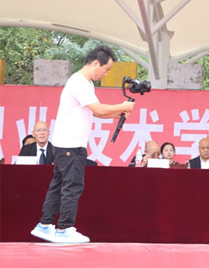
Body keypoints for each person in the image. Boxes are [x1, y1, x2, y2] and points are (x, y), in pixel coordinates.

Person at [30, 46, 135, 244]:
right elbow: (99, 109)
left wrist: (118, 113)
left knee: (59, 185)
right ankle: (64, 228)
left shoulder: (85, 83)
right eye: (106, 69)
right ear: (95, 63)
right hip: (71, 145)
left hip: (66, 143)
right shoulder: (79, 82)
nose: (106, 74)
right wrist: (122, 107)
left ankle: (44, 225)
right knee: (72, 186)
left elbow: (95, 112)